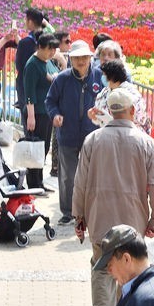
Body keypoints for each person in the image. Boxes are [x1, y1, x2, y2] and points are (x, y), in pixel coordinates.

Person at [72, 89, 154, 306]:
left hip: (100, 220)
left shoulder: (93, 140)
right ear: (132, 111)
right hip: (134, 223)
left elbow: (80, 182)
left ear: (110, 112)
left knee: (102, 270)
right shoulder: (146, 142)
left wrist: (79, 217)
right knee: (132, 273)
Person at [45, 39, 103, 224]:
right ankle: (68, 212)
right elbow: (50, 101)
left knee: (92, 174)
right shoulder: (62, 79)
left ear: (90, 58)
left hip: (92, 135)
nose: (81, 61)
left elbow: (107, 100)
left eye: (84, 57)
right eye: (77, 57)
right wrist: (55, 115)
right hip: (67, 135)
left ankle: (89, 210)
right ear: (71, 59)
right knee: (68, 176)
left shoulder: (99, 77)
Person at [21, 33, 61, 190]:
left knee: (43, 148)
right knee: (35, 148)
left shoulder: (47, 62)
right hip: (36, 112)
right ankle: (34, 183)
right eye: (49, 49)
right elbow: (29, 92)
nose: (52, 53)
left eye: (53, 49)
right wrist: (31, 116)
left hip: (46, 112)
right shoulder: (33, 64)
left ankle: (39, 181)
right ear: (40, 47)